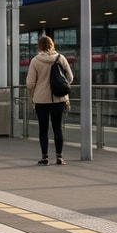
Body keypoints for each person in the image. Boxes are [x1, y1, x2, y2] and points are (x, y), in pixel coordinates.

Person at [25, 35, 72, 164]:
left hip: (41, 100)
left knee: (43, 129)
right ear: (52, 45)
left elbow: (30, 83)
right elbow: (70, 77)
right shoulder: (61, 58)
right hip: (59, 99)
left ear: (39, 46)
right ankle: (59, 157)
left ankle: (45, 157)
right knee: (58, 127)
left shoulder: (35, 61)